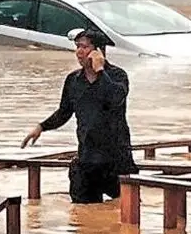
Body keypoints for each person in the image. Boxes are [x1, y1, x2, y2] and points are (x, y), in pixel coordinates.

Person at [21, 28, 136, 204]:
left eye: (84, 47)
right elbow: (64, 112)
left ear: (98, 51)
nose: (79, 52)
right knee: (83, 214)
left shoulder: (117, 76)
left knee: (126, 210)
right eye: (77, 47)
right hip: (87, 157)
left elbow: (115, 98)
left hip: (116, 158)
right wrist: (41, 127)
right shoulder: (73, 80)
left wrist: (100, 71)